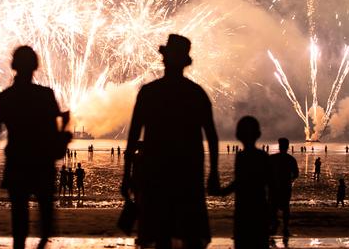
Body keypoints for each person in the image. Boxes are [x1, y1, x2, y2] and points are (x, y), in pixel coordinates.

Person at [121, 34, 219, 249]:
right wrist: (214, 173)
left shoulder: (149, 92)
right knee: (190, 234)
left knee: (159, 233)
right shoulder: (196, 93)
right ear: (185, 62)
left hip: (156, 173)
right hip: (188, 174)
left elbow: (133, 136)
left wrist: (127, 175)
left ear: (164, 59)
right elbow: (211, 136)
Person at [0, 45, 70, 249]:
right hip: (42, 163)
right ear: (35, 66)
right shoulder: (45, 95)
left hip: (17, 163)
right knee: (45, 221)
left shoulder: (5, 97)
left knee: (19, 220)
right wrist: (65, 129)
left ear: (14, 65)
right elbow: (53, 132)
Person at [220, 116, 270, 249]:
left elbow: (238, 182)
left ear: (237, 135)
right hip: (260, 208)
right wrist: (272, 211)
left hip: (243, 209)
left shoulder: (241, 157)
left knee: (242, 243)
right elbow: (270, 184)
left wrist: (222, 191)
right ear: (258, 134)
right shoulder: (263, 156)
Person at [268, 137, 299, 247]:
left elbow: (265, 172)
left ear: (279, 146)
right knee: (285, 208)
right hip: (285, 188)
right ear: (288, 147)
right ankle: (285, 228)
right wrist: (290, 180)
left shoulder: (272, 158)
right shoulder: (291, 159)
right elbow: (296, 174)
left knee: (273, 208)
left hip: (273, 188)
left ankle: (273, 226)